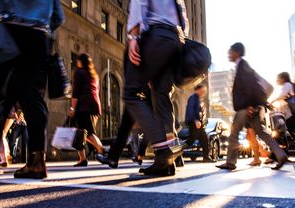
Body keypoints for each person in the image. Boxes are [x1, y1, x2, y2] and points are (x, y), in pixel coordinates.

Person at [0, 0, 64, 178]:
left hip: (5, 28)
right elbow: (58, 16)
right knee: (34, 97)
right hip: (38, 35)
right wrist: (44, 27)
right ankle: (37, 160)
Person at [120, 0, 189, 176]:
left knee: (131, 93)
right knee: (161, 97)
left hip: (156, 36)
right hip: (176, 39)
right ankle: (167, 163)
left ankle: (163, 150)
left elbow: (139, 3)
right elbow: (184, 17)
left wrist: (134, 37)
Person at [217, 43, 288, 171]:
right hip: (252, 107)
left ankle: (230, 162)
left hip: (245, 107)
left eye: (231, 51)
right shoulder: (242, 66)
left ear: (237, 53)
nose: (229, 54)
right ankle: (281, 154)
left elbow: (250, 86)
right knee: (261, 132)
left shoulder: (243, 66)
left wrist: (250, 105)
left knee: (234, 133)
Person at [69, 53, 104, 167]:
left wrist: (72, 107)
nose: (76, 63)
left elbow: (76, 92)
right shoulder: (95, 76)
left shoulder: (79, 72)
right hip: (94, 106)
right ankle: (82, 159)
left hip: (84, 106)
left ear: (81, 62)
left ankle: (103, 151)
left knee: (87, 133)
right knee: (80, 133)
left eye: (77, 61)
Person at [185, 84, 214, 162]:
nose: (204, 92)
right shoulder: (193, 98)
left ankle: (206, 157)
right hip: (194, 123)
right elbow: (190, 110)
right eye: (202, 91)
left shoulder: (198, 99)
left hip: (198, 124)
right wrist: (195, 120)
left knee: (204, 139)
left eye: (204, 91)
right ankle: (178, 153)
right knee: (191, 140)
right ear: (198, 90)